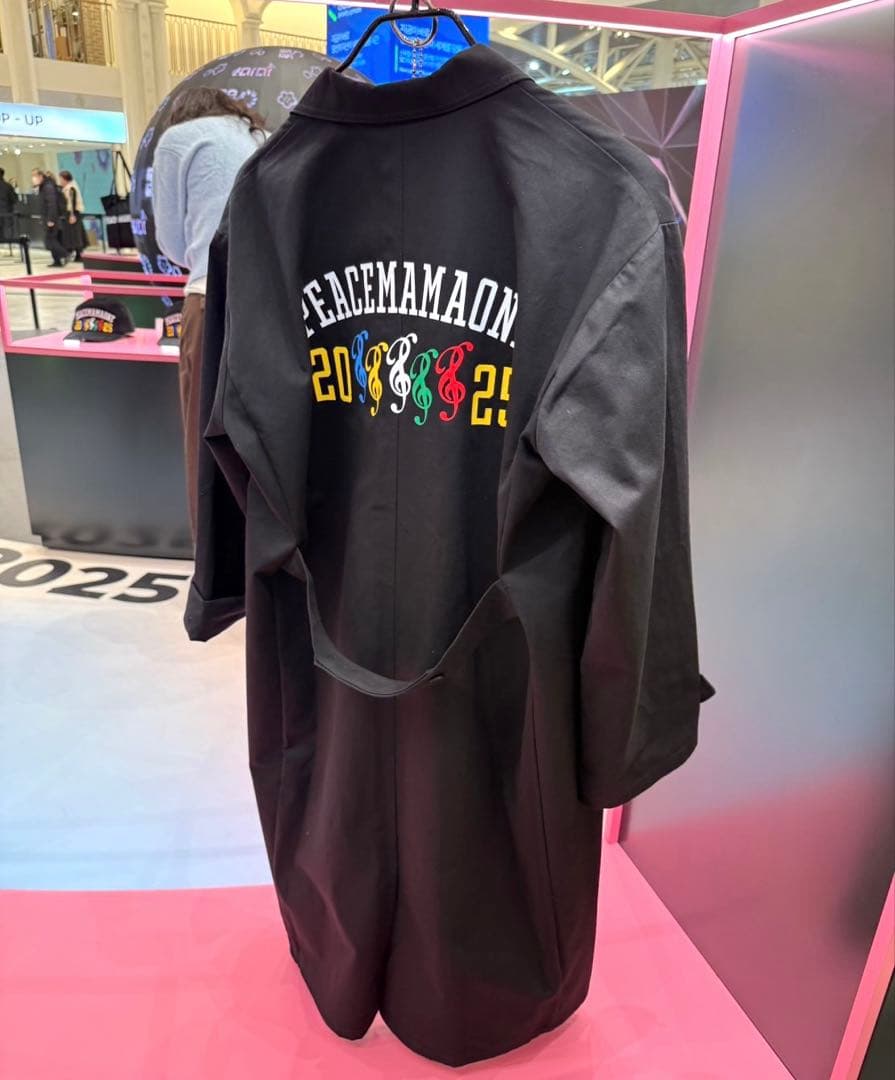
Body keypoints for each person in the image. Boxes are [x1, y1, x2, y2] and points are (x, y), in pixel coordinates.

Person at [153, 87, 267, 540]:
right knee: (264, 436)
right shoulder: (263, 137)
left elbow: (171, 242)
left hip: (210, 296)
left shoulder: (178, 139)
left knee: (203, 438)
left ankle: (213, 558)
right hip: (269, 303)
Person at [31, 168, 69, 267]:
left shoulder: (48, 187)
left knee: (50, 240)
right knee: (52, 239)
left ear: (40, 176)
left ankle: (65, 254)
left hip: (52, 219)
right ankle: (57, 261)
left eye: (34, 176)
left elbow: (52, 204)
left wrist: (51, 219)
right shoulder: (44, 186)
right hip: (48, 218)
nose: (33, 179)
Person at [59, 170, 88, 261]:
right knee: (73, 235)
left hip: (73, 213)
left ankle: (79, 254)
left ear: (65, 179)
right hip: (71, 213)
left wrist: (72, 215)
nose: (60, 181)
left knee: (75, 235)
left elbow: (72, 202)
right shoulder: (68, 187)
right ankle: (77, 254)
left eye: (61, 179)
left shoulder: (71, 188)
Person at [0, 167, 17, 243]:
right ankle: (9, 246)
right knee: (8, 231)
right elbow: (14, 199)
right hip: (7, 212)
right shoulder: (8, 186)